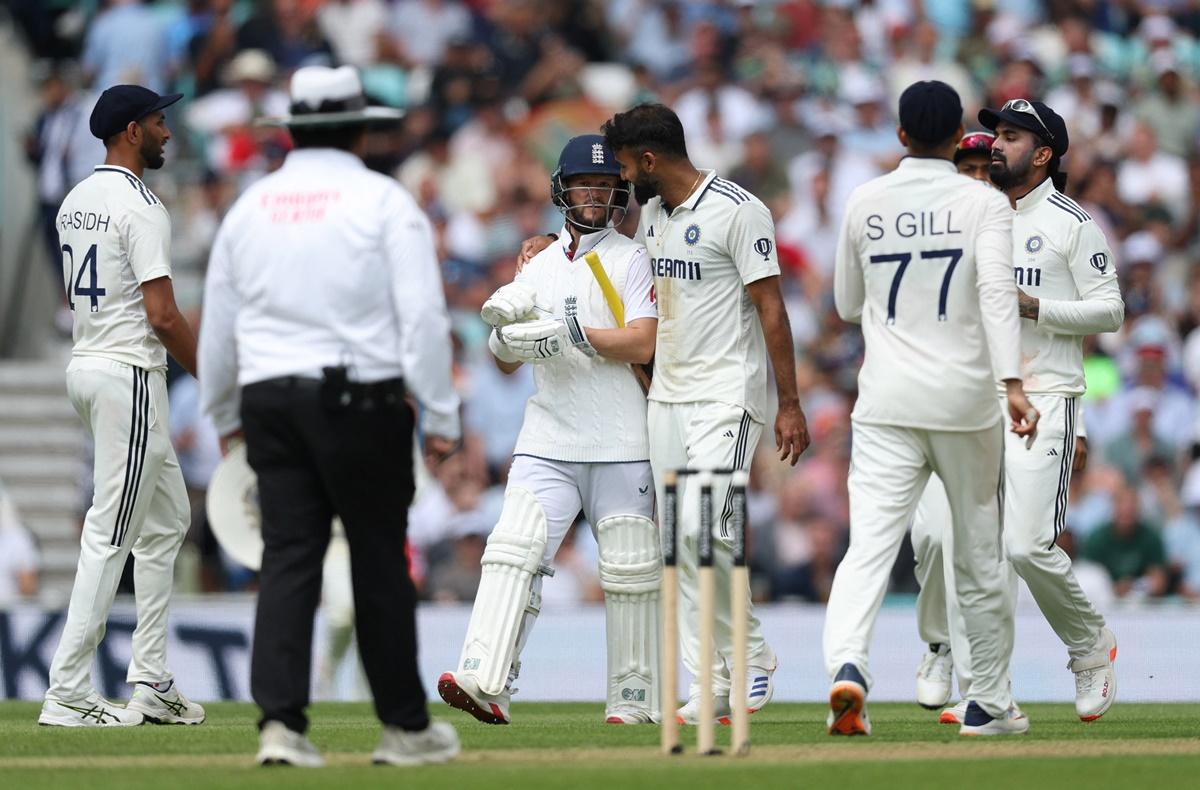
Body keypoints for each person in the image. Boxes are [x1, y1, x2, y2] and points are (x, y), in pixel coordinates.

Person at [199, 65, 460, 767]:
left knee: (289, 558)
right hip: (358, 398)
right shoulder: (382, 199)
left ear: (291, 128)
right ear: (359, 126)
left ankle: (280, 726)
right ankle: (404, 728)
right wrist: (441, 413)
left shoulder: (251, 206)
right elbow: (424, 318)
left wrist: (223, 413)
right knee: (377, 556)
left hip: (269, 400)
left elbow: (218, 325)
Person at [517, 104, 809, 724]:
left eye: (624, 167)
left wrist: (789, 403)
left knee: (708, 531)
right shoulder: (653, 214)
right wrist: (550, 245)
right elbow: (610, 261)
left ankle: (743, 662)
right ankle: (724, 673)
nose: (620, 182)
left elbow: (773, 310)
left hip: (727, 396)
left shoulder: (738, 209)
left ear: (649, 161)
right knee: (678, 545)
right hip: (667, 398)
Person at [825, 80, 1040, 738]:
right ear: (956, 140)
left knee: (868, 548)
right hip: (964, 399)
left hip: (886, 397)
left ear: (899, 136)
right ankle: (987, 704)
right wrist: (1012, 383)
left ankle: (849, 667)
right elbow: (1000, 300)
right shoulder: (982, 203)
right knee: (977, 552)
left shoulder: (865, 200)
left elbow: (844, 305)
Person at [914, 98, 1125, 725]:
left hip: (1044, 396)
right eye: (994, 134)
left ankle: (1090, 646)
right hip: (974, 401)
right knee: (956, 544)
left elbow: (1111, 310)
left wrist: (1037, 308)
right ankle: (985, 690)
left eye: (1009, 137)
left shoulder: (1070, 221)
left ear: (1042, 154)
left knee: (1027, 547)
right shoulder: (971, 215)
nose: (994, 145)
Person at [437, 134, 661, 726]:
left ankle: (633, 700)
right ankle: (485, 679)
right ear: (564, 190)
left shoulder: (631, 257)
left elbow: (643, 340)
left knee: (632, 571)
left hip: (621, 440)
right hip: (548, 436)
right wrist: (508, 338)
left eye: (606, 185)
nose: (596, 194)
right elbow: (507, 361)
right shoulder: (534, 260)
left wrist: (569, 335)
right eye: (586, 184)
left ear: (618, 193)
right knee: (512, 551)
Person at [39, 84, 205, 728]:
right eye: (159, 121)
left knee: (166, 520)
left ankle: (151, 680)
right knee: (110, 534)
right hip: (130, 373)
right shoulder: (141, 204)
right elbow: (162, 315)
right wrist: (213, 378)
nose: (167, 131)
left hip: (86, 365)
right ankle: (69, 690)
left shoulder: (75, 198)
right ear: (132, 131)